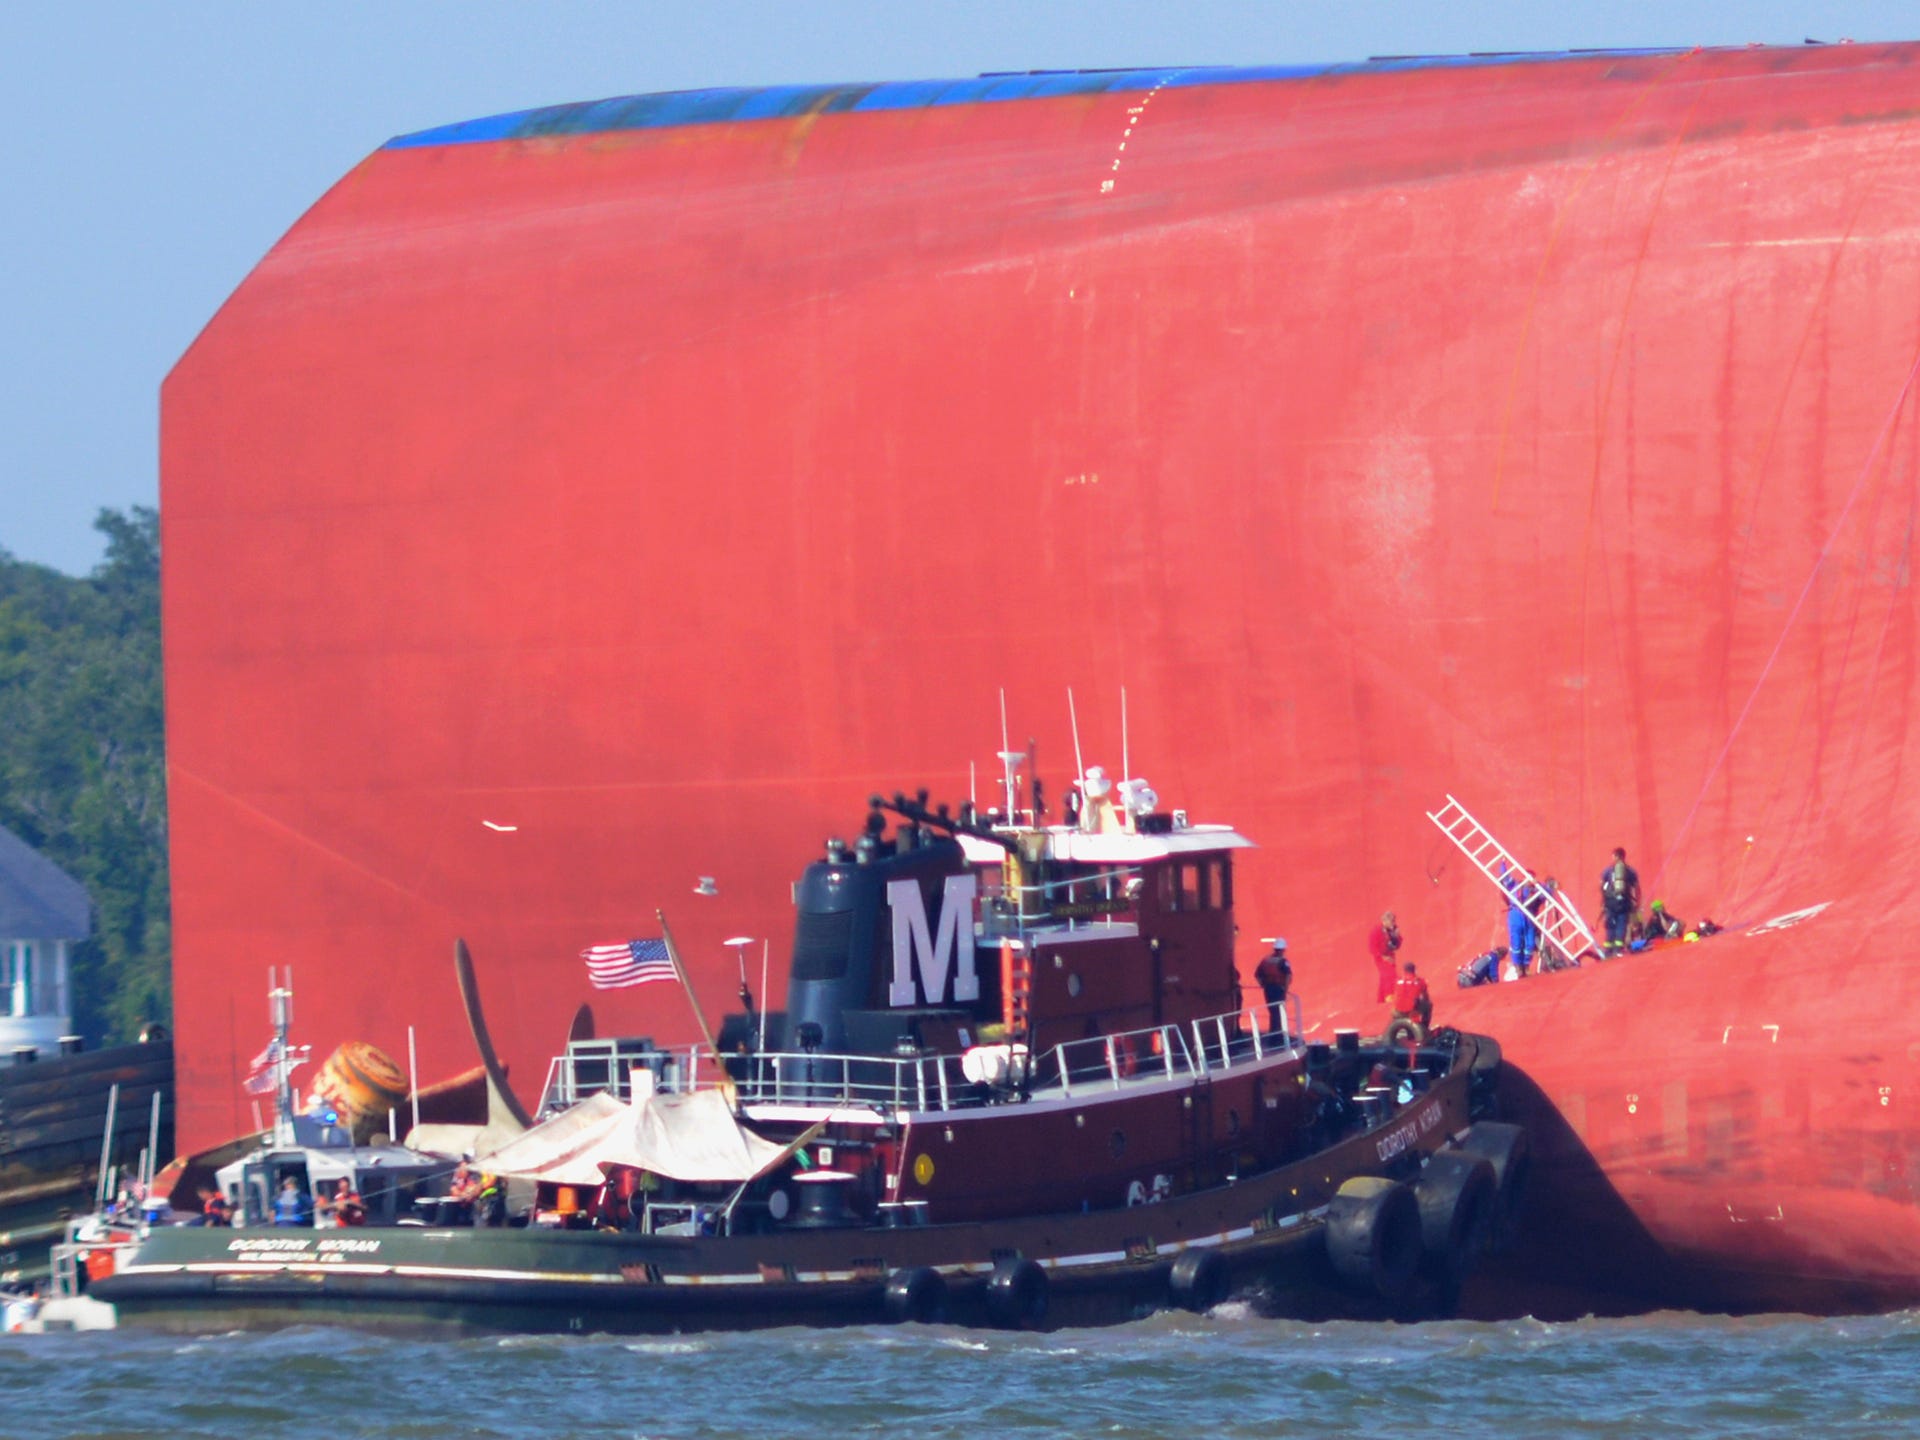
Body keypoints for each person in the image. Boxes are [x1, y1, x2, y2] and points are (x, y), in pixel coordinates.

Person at [1599, 847, 1641, 955]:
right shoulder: (1630, 871)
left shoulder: (1608, 871)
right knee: (1621, 925)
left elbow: (1601, 886)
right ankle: (1618, 949)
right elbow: (1636, 887)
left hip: (1610, 903)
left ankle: (1608, 950)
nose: (1612, 858)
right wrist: (1637, 901)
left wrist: (1602, 902)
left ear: (1617, 856)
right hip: (1624, 903)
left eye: (1613, 856)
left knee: (1610, 925)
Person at [1500, 862, 1538, 977]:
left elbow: (1545, 894)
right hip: (1516, 914)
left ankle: (1526, 966)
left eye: (1531, 878)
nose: (1529, 880)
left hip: (1529, 916)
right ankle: (1518, 967)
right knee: (1516, 942)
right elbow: (1505, 877)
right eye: (1527, 876)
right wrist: (1503, 863)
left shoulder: (1535, 890)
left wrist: (1548, 887)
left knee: (1530, 943)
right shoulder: (1514, 885)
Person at [1254, 938, 1292, 1034]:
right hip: (1278, 989)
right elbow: (1288, 975)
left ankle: (1273, 1034)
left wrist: (1263, 984)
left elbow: (1257, 974)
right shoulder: (1283, 962)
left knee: (1272, 1012)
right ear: (1283, 949)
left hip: (1268, 989)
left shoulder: (1266, 960)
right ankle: (1278, 1035)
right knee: (1278, 1012)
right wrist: (1285, 990)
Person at [1369, 911, 1402, 1002]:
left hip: (1390, 956)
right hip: (1381, 958)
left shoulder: (1394, 929)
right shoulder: (1376, 931)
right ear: (1384, 921)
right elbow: (1372, 948)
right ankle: (1389, 996)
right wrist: (1382, 957)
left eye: (1393, 921)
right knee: (1390, 975)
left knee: (1384, 978)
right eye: (1391, 921)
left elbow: (1397, 946)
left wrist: (1397, 937)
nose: (1393, 923)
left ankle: (1381, 1000)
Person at [1392, 961, 1433, 1031]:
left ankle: (1394, 1028)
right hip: (1412, 1012)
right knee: (1428, 1005)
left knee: (1397, 1006)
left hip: (1397, 1010)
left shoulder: (1397, 980)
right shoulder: (1420, 981)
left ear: (1404, 970)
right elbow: (1425, 996)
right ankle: (1424, 1027)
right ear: (1414, 970)